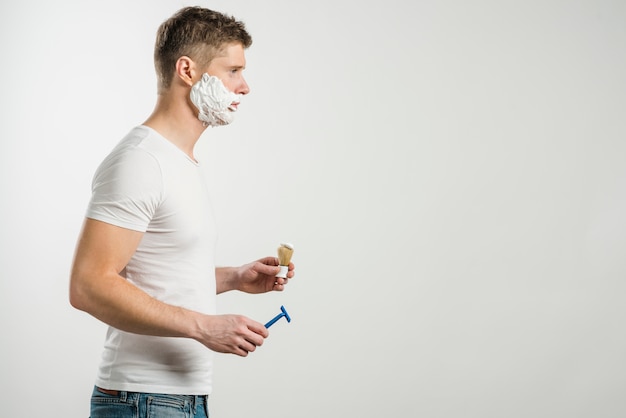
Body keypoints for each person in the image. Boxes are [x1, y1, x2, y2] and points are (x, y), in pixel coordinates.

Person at [69, 6, 295, 418]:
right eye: (233, 70)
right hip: (144, 402)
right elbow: (88, 285)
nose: (244, 87)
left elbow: (153, 277)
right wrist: (204, 326)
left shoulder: (177, 162)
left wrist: (234, 278)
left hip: (179, 401)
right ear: (187, 70)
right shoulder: (141, 161)